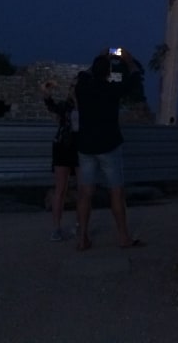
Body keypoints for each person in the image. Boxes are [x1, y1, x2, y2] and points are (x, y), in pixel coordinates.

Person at [74, 49, 145, 250]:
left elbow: (86, 73)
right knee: (116, 192)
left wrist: (101, 56)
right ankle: (123, 237)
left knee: (85, 193)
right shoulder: (112, 89)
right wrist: (128, 60)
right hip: (109, 146)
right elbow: (134, 78)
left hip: (86, 146)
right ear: (108, 73)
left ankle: (82, 238)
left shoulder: (82, 87)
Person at [42, 79, 79, 242]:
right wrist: (46, 92)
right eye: (72, 87)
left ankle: (80, 224)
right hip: (63, 147)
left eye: (76, 88)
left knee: (83, 189)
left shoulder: (87, 106)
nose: (74, 90)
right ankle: (56, 228)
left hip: (80, 149)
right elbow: (51, 105)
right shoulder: (65, 106)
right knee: (60, 189)